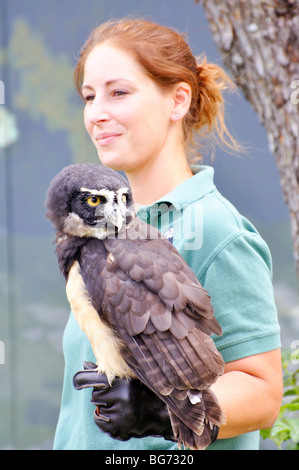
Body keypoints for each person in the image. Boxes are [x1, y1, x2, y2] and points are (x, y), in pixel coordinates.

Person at [53, 17, 282, 451]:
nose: (97, 112)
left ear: (177, 100)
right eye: (89, 96)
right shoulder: (100, 231)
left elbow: (264, 392)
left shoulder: (215, 229)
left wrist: (160, 411)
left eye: (118, 92)